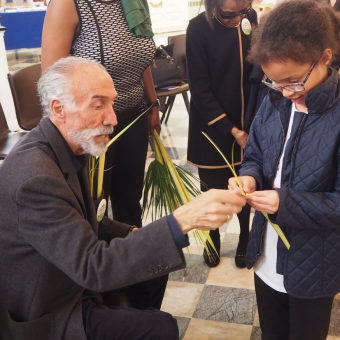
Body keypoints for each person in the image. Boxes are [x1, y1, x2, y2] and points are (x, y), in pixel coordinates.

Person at [0, 56, 245, 340]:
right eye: (98, 104)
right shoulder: (35, 177)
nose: (113, 118)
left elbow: (79, 222)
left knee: (153, 268)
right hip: (46, 309)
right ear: (59, 109)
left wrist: (135, 233)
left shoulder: (64, 146)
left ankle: (127, 318)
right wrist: (182, 220)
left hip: (67, 277)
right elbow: (93, 268)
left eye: (112, 103)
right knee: (161, 327)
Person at [229, 1, 340, 339]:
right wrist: (248, 176)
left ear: (324, 57)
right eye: (274, 82)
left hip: (315, 263)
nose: (286, 92)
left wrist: (283, 203)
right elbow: (257, 156)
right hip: (265, 256)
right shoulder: (275, 100)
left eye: (293, 81)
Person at [41, 0, 160, 228]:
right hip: (90, 125)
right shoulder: (68, 5)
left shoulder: (133, 2)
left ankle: (132, 256)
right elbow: (51, 81)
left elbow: (139, 57)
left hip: (133, 116)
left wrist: (152, 103)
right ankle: (97, 259)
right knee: (94, 204)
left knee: (130, 197)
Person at [186, 0, 257, 268]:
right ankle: (212, 238)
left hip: (247, 118)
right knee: (213, 187)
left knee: (245, 184)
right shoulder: (198, 28)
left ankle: (246, 238)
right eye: (229, 14)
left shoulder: (248, 18)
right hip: (212, 123)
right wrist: (231, 129)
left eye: (243, 10)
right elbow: (200, 89)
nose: (237, 18)